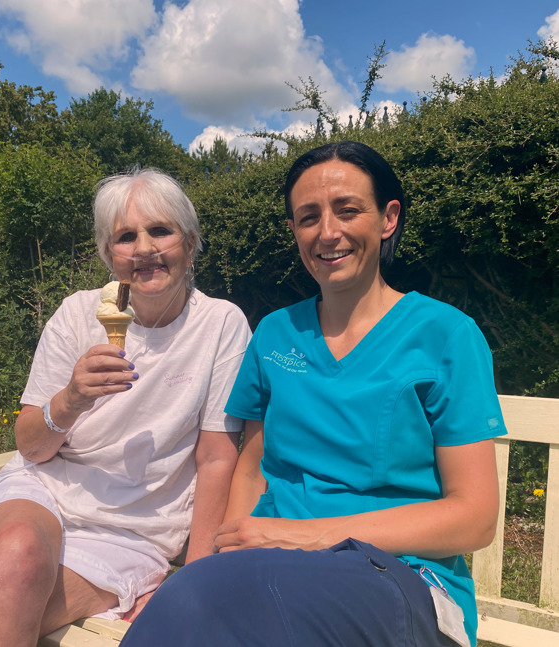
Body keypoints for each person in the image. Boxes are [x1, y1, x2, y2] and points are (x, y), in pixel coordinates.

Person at [122, 141, 506, 647]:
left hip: (397, 576)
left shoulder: (445, 335)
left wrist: (310, 535)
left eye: (348, 210)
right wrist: (220, 559)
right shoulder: (276, 335)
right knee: (184, 609)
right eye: (308, 217)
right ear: (294, 232)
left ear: (388, 218)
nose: (328, 232)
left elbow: (474, 518)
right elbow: (254, 465)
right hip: (265, 566)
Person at [0, 168, 251, 647]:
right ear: (107, 254)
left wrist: (193, 582)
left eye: (160, 230)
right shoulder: (78, 314)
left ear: (191, 242)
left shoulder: (221, 325)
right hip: (38, 495)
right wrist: (71, 399)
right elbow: (31, 447)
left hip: (132, 529)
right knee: (16, 549)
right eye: (125, 237)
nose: (144, 249)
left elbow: (217, 457)